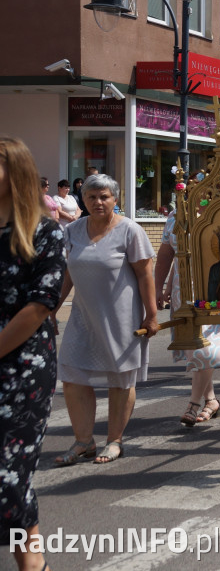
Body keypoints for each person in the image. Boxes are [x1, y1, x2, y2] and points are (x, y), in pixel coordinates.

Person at [54, 174, 158, 465]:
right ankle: (83, 441)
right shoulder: (73, 230)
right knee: (73, 378)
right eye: (91, 197)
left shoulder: (130, 230)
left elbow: (145, 274)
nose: (98, 202)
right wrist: (51, 309)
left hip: (121, 318)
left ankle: (114, 441)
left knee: (120, 380)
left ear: (115, 199)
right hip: (83, 317)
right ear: (83, 200)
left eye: (104, 197)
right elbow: (67, 275)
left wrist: (151, 315)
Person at [0, 136, 66, 571]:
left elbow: (41, 305)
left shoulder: (44, 231)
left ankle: (32, 559)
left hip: (23, 365)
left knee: (9, 475)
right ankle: (32, 561)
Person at [153, 208, 220, 426]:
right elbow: (168, 255)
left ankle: (193, 403)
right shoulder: (175, 216)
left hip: (217, 292)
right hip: (183, 293)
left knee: (207, 349)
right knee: (195, 350)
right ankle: (211, 400)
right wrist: (161, 287)